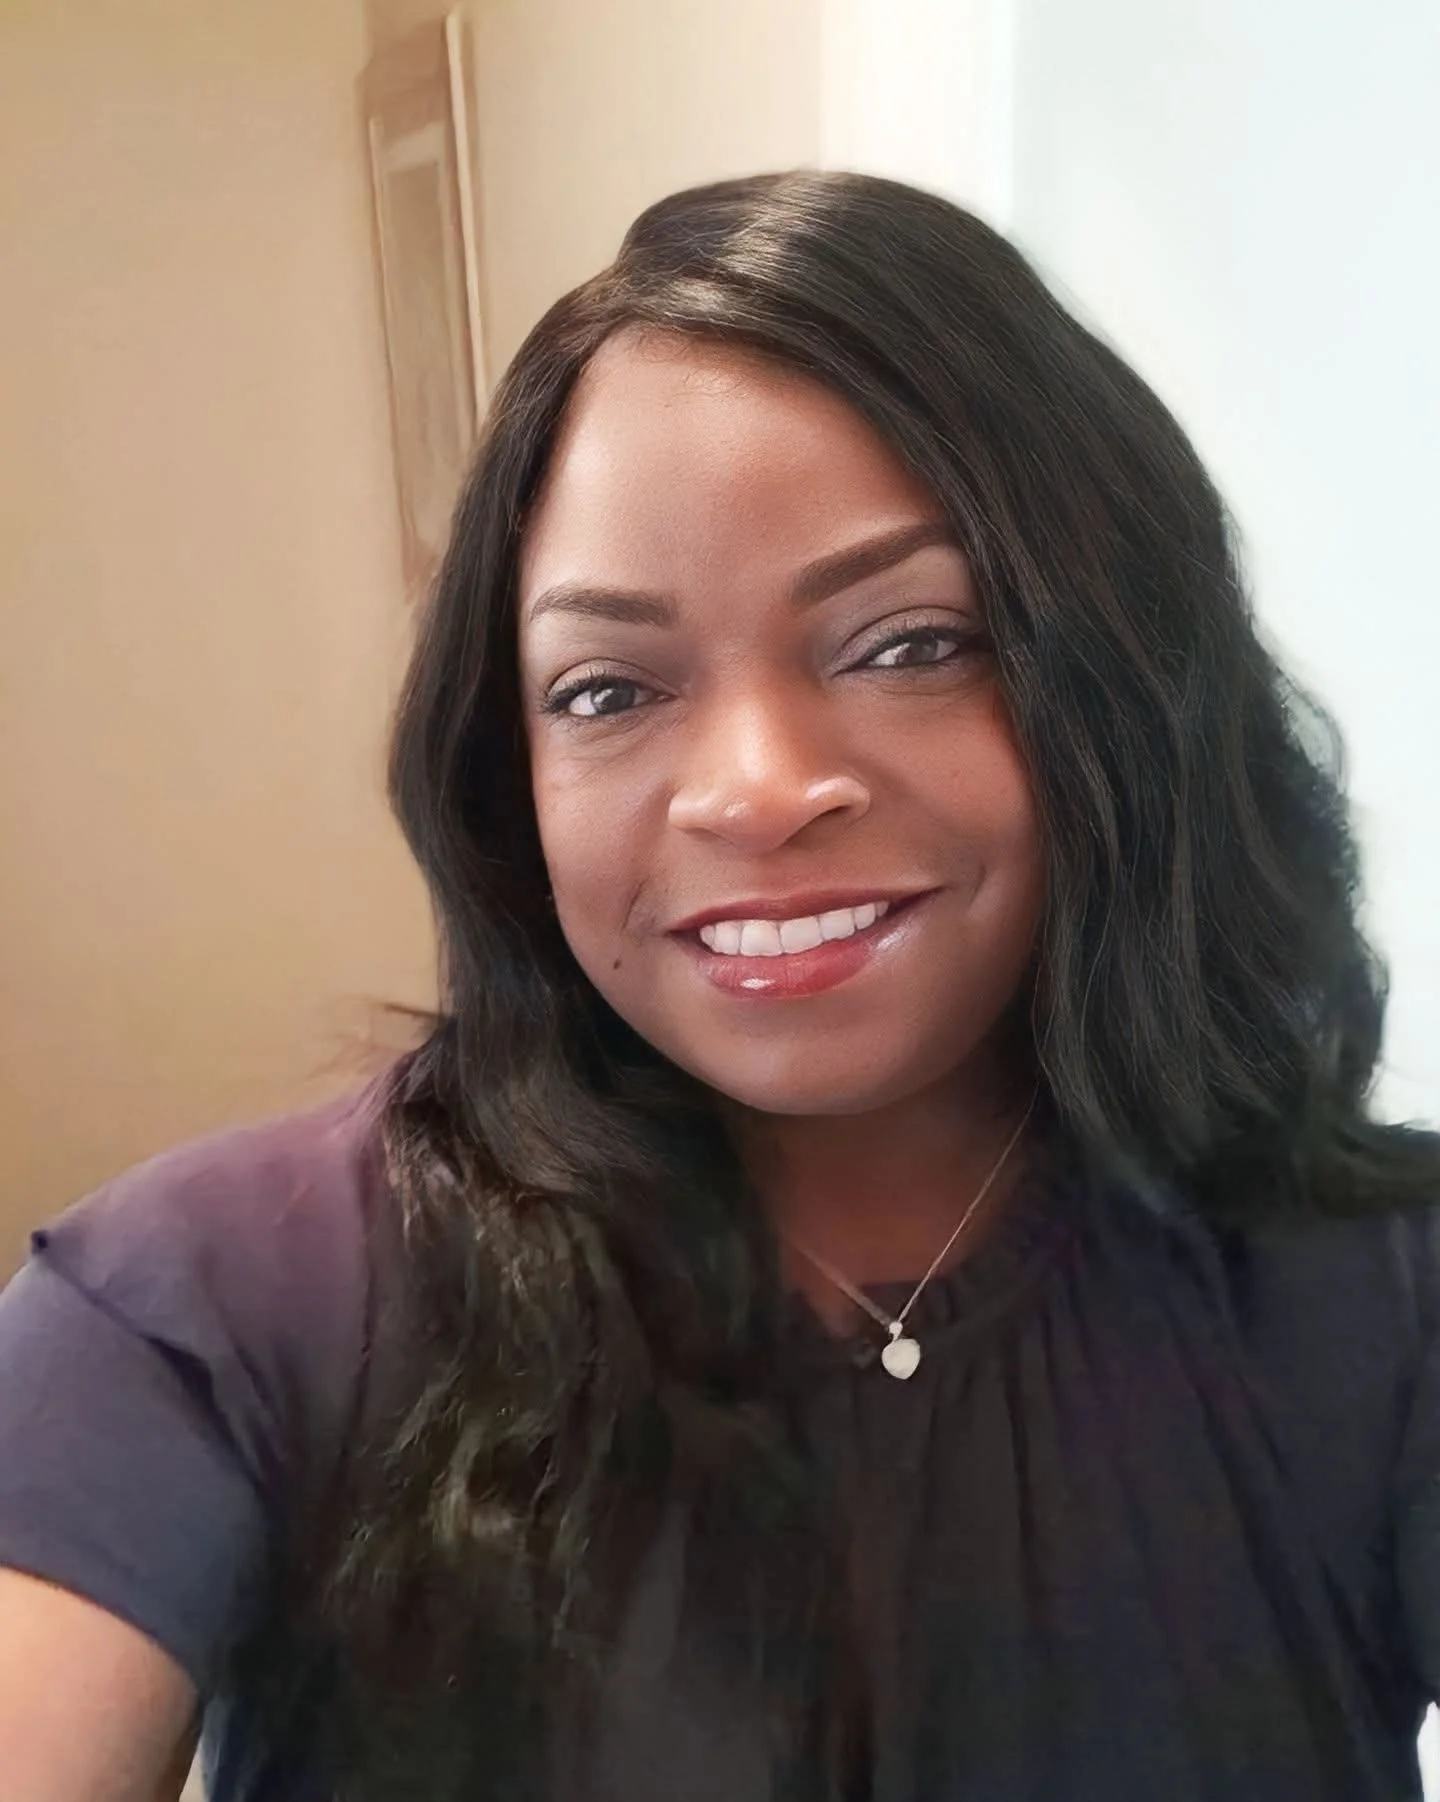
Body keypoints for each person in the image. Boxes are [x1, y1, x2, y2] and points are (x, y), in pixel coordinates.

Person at [1, 169, 1437, 1802]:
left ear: (1124, 676)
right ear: (508, 771)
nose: (754, 791)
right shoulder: (205, 1312)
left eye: (910, 643)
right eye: (608, 688)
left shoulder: (1381, 1297)